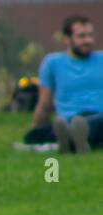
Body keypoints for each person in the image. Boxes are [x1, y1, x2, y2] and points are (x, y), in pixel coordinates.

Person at [32, 16, 103, 154]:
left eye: (90, 35)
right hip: (68, 120)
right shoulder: (52, 63)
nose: (88, 40)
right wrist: (36, 130)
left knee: (95, 124)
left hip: (99, 117)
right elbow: (44, 103)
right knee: (33, 136)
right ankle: (75, 139)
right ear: (66, 39)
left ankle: (71, 140)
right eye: (81, 36)